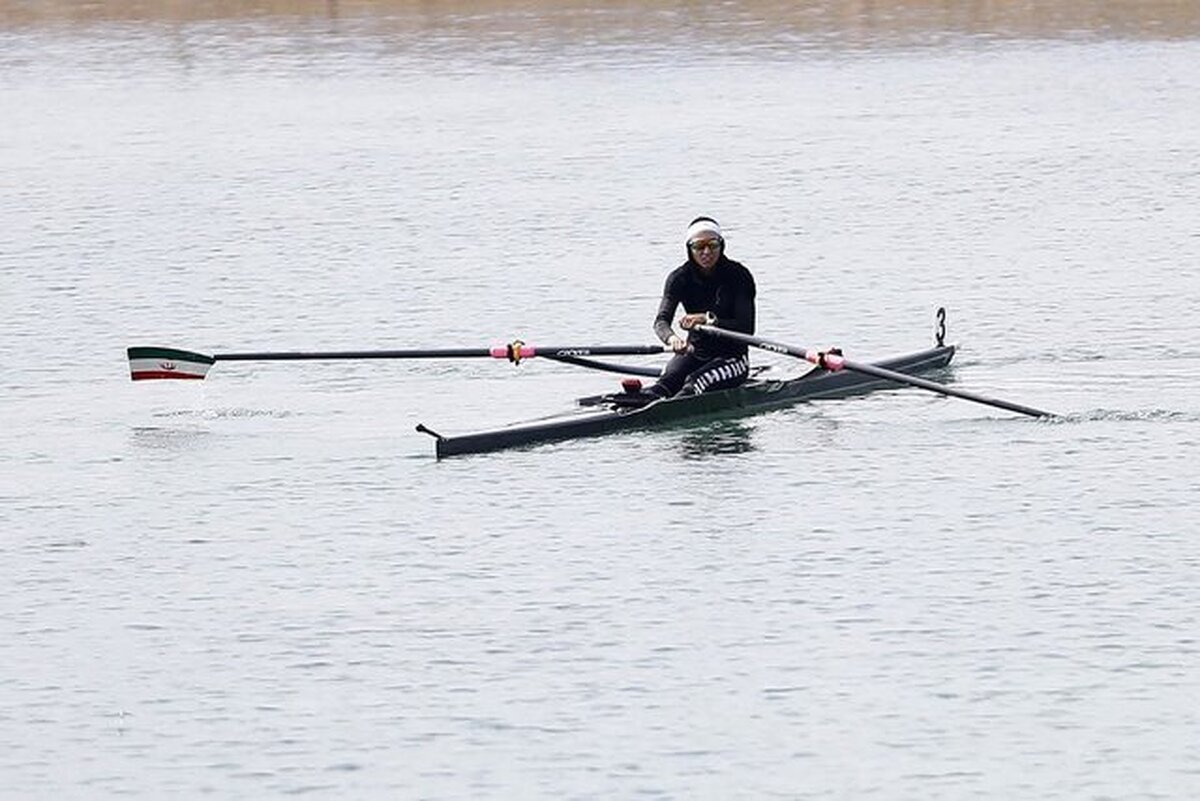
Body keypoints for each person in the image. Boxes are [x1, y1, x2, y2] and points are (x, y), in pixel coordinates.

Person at [648, 216, 756, 398]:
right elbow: (661, 321)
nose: (706, 252)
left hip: (733, 357)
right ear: (689, 249)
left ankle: (672, 414)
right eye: (699, 246)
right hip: (695, 353)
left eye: (712, 245)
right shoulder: (679, 278)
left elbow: (747, 329)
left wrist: (707, 319)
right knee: (666, 383)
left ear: (721, 245)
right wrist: (672, 339)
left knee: (695, 383)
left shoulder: (739, 275)